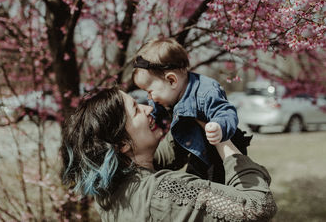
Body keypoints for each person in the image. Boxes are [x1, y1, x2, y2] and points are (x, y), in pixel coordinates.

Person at [60, 87, 277, 221]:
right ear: (121, 144)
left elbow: (167, 154)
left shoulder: (109, 189)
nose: (148, 109)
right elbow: (257, 206)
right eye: (136, 110)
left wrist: (188, 108)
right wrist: (222, 139)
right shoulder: (164, 191)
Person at [132, 37, 251, 183]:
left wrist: (219, 126)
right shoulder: (170, 92)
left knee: (216, 189)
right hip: (196, 150)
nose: (149, 97)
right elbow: (155, 110)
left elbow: (226, 111)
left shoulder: (205, 92)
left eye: (150, 91)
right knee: (194, 183)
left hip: (218, 154)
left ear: (171, 80)